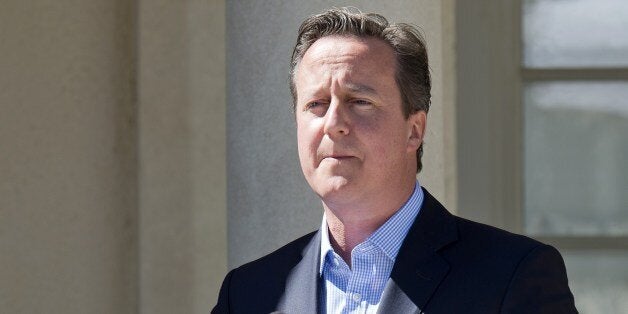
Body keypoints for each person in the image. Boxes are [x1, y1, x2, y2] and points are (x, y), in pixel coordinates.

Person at [212, 7, 577, 314]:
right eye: (316, 105)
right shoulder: (247, 295)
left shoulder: (512, 276)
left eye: (359, 101)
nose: (334, 124)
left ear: (414, 130)